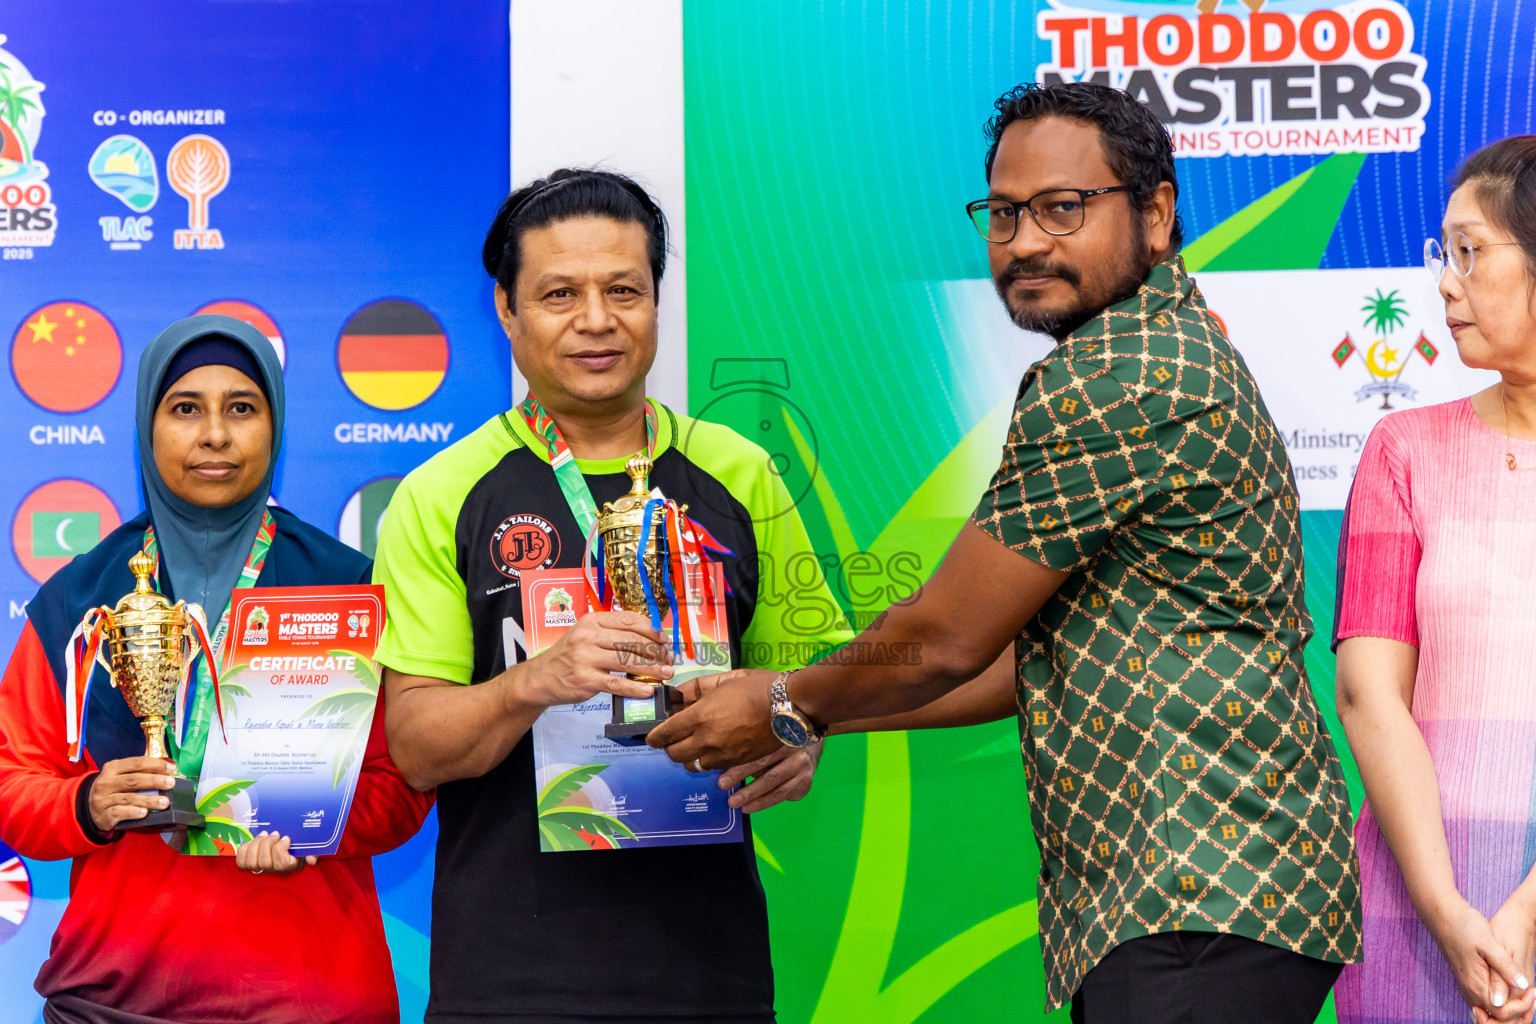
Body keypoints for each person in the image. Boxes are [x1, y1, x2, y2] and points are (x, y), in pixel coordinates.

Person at [651, 82, 1364, 1024]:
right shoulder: (1149, 346)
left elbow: (946, 635)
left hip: (1199, 888)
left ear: (1155, 214)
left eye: (1064, 209)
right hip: (1196, 895)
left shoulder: (1119, 374)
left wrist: (783, 700)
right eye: (1005, 213)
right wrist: (813, 719)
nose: (1025, 242)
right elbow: (1014, 662)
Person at [371, 168, 852, 1023]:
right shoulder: (442, 493)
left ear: (656, 302)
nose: (597, 320)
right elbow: (415, 747)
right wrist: (535, 681)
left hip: (711, 969)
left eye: (623, 289)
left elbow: (809, 684)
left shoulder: (739, 471)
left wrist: (797, 731)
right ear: (507, 312)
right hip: (508, 977)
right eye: (560, 293)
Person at [0, 315, 433, 1024]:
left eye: (241, 407)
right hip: (112, 995)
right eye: (184, 409)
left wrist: (316, 823)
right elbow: (12, 781)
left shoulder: (345, 587)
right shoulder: (80, 599)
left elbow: (406, 781)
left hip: (310, 996)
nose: (214, 436)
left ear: (275, 424)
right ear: (147, 424)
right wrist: (89, 804)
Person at [1333, 136, 1536, 1024]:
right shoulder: (1402, 452)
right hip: (1415, 916)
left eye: (1470, 252)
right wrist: (1449, 913)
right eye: (1440, 254)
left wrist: (1525, 914)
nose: (1445, 283)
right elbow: (1368, 696)